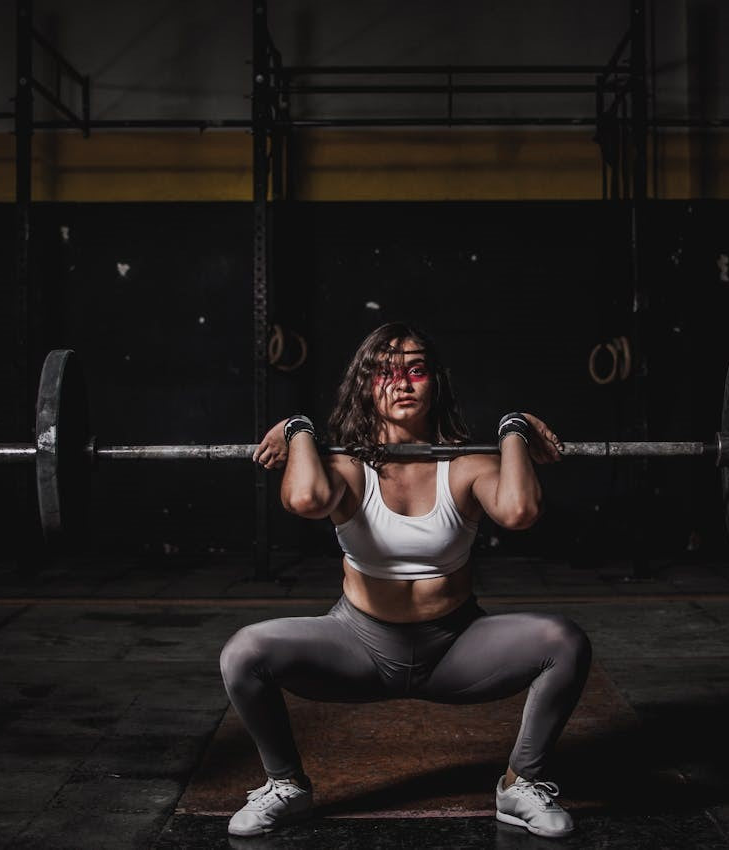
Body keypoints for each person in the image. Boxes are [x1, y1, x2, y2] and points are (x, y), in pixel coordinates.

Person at [220, 322, 592, 838]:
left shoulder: (465, 464)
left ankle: (520, 784)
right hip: (357, 647)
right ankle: (286, 784)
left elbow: (520, 510)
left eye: (415, 370)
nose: (401, 382)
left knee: (565, 642)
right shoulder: (349, 467)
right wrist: (298, 429)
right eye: (384, 372)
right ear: (365, 386)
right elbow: (305, 499)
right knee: (243, 653)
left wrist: (513, 429)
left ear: (434, 382)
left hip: (456, 648)